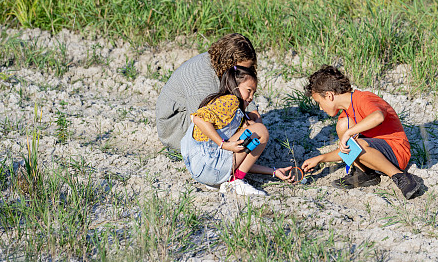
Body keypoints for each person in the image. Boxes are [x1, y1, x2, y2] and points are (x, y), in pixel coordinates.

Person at [301, 65, 420, 200]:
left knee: (356, 142)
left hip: (396, 152)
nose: (321, 108)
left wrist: (349, 133)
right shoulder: (345, 114)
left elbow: (378, 117)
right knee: (343, 125)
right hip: (376, 151)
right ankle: (363, 172)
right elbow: (348, 150)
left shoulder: (363, 98)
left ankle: (400, 176)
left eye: (319, 102)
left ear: (329, 95)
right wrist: (320, 159)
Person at [181, 65, 292, 195]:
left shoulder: (229, 110)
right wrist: (224, 144)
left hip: (203, 171)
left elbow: (242, 163)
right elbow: (197, 118)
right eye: (249, 90)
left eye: (254, 93)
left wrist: (273, 171)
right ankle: (235, 182)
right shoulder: (231, 100)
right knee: (260, 130)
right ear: (235, 85)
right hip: (208, 166)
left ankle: (230, 180)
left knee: (254, 129)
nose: (251, 97)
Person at [157, 33, 265, 151]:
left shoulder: (221, 63)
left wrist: (253, 111)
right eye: (242, 69)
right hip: (176, 126)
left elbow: (242, 85)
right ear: (229, 63)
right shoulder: (203, 77)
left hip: (196, 113)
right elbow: (201, 118)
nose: (244, 72)